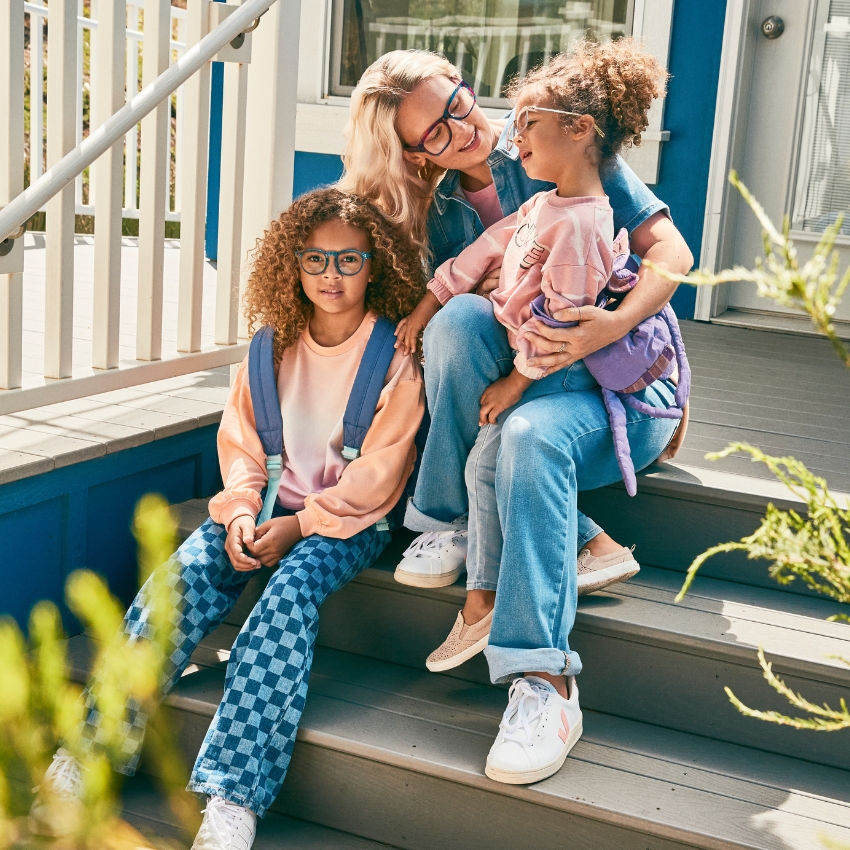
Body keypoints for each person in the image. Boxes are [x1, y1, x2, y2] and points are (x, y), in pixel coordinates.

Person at [29, 189, 426, 850]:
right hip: (264, 507)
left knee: (285, 602)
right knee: (179, 580)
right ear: (292, 264)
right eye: (316, 259)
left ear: (374, 266)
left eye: (349, 260)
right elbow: (241, 446)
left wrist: (303, 526)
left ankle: (232, 798)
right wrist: (243, 512)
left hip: (345, 522)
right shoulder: (270, 348)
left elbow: (380, 471)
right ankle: (91, 749)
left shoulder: (392, 357)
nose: (332, 275)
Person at [339, 43, 692, 784]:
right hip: (532, 385)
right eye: (434, 131)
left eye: (459, 100)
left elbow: (671, 257)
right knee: (459, 324)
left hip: (605, 385)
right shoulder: (430, 211)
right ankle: (505, 528)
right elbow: (430, 319)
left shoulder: (562, 144)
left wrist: (614, 326)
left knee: (524, 434)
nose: (467, 127)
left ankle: (546, 683)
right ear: (408, 153)